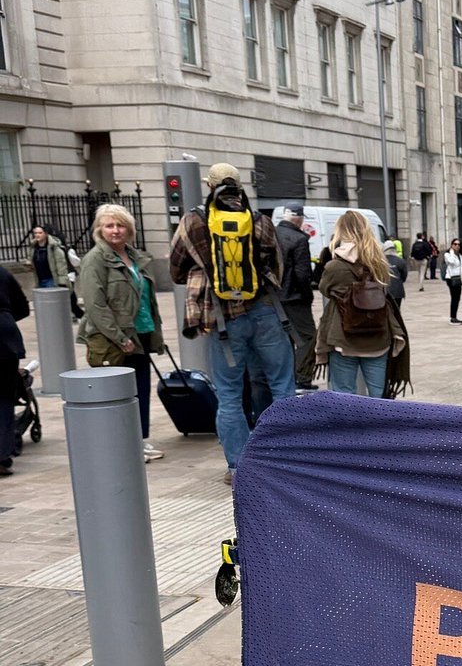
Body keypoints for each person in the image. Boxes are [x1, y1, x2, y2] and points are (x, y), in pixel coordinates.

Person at [170, 161, 295, 484]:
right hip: (265, 312)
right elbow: (278, 268)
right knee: (282, 387)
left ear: (209, 186)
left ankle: (238, 468)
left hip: (224, 320)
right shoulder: (259, 220)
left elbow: (176, 270)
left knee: (228, 396)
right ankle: (284, 459)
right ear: (240, 187)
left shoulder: (193, 221)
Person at [79, 203, 165, 461]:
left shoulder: (136, 257)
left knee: (140, 391)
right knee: (118, 394)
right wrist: (119, 337)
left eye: (120, 225)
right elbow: (95, 305)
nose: (115, 230)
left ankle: (138, 440)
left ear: (129, 229)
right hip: (114, 339)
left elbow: (147, 298)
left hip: (141, 333)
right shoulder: (95, 259)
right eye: (109, 226)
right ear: (99, 230)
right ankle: (121, 447)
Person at [318, 211, 409, 396]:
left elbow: (324, 289)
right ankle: (377, 416)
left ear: (341, 232)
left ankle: (352, 417)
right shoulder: (379, 263)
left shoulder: (335, 266)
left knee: (344, 395)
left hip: (344, 338)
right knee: (378, 395)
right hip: (378, 337)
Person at [275, 203, 317, 389]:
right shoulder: (299, 239)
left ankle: (286, 380)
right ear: (299, 219)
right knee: (307, 337)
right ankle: (302, 379)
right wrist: (308, 296)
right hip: (294, 297)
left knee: (283, 340)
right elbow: (302, 274)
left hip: (273, 297)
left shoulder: (272, 233)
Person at [0, 263, 29, 477]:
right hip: (5, 337)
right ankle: (2, 455)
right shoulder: (2, 272)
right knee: (4, 398)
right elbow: (22, 307)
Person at [26, 226, 70, 294]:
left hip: (51, 279)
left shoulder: (54, 247)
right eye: (35, 233)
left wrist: (62, 281)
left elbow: (61, 265)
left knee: (51, 297)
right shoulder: (33, 247)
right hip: (39, 279)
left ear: (45, 234)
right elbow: (31, 259)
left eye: (40, 233)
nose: (37, 235)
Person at [441, 238, 462, 322]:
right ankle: (453, 317)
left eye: (458, 244)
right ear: (451, 245)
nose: (457, 246)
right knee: (454, 297)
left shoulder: (459, 255)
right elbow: (452, 262)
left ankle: (454, 316)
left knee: (457, 298)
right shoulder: (447, 254)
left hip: (458, 278)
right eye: (455, 244)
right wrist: (452, 252)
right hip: (451, 278)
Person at [383, 237, 408, 310]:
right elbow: (404, 275)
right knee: (397, 309)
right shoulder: (400, 261)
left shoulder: (380, 261)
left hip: (384, 290)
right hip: (398, 290)